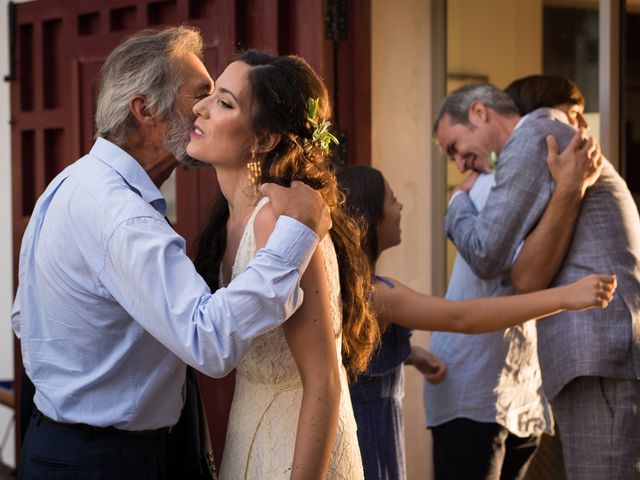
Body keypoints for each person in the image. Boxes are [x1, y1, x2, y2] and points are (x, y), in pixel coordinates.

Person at [11, 26, 331, 480]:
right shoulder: (124, 217)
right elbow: (209, 341)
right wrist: (297, 234)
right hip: (106, 462)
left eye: (220, 99)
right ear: (144, 111)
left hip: (63, 445)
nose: (203, 108)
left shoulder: (72, 182)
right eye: (201, 94)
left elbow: (24, 319)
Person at [336, 164, 616, 480]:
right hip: (370, 436)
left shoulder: (356, 289)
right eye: (392, 200)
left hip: (371, 427)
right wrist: (565, 297)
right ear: (370, 218)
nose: (400, 206)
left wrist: (412, 355)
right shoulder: (376, 292)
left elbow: (355, 347)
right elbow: (463, 317)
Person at [187, 50, 378, 479]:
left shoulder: (278, 220)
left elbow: (325, 382)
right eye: (211, 95)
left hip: (298, 450)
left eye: (224, 102)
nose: (200, 106)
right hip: (248, 432)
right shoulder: (228, 219)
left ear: (265, 139)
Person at [433, 83, 640, 479]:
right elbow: (526, 275)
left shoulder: (533, 138)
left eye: (454, 147)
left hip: (599, 345)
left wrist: (456, 205)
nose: (459, 163)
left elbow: (487, 253)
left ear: (479, 112)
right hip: (598, 350)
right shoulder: (548, 143)